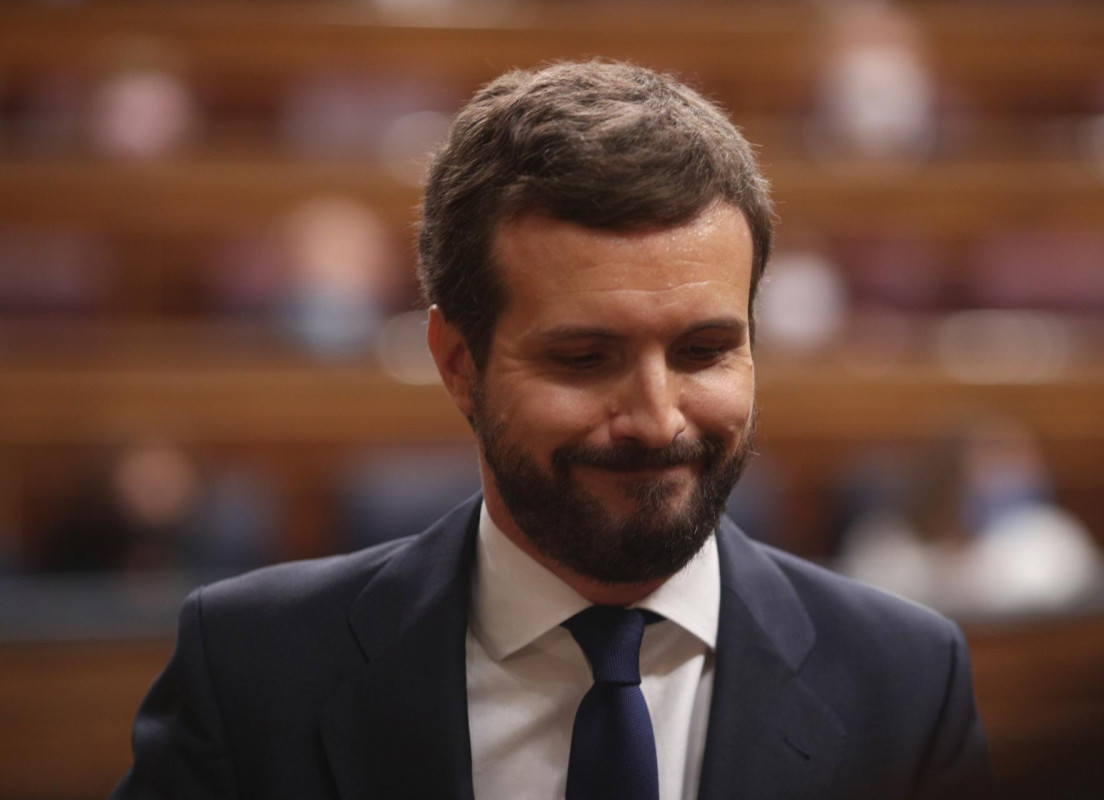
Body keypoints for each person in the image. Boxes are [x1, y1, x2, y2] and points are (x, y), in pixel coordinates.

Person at [114, 60, 991, 800]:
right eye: (584, 359)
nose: (657, 419)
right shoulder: (253, 672)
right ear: (457, 362)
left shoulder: (907, 682)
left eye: (704, 351)